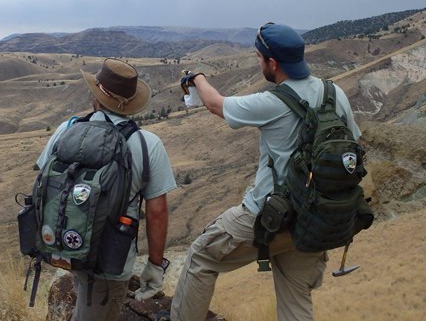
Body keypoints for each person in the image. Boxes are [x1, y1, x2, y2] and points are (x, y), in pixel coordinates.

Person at [169, 23, 362, 321]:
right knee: (296, 301)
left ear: (272, 63)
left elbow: (214, 104)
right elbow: (354, 146)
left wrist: (198, 77)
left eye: (259, 58)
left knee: (201, 256)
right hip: (314, 220)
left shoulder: (274, 102)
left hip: (270, 217)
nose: (259, 63)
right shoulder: (334, 93)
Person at [37, 58, 177, 321]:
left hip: (64, 243)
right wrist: (155, 266)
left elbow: (43, 178)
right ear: (132, 102)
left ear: (96, 95)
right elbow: (157, 212)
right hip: (111, 260)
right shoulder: (148, 144)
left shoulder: (67, 129)